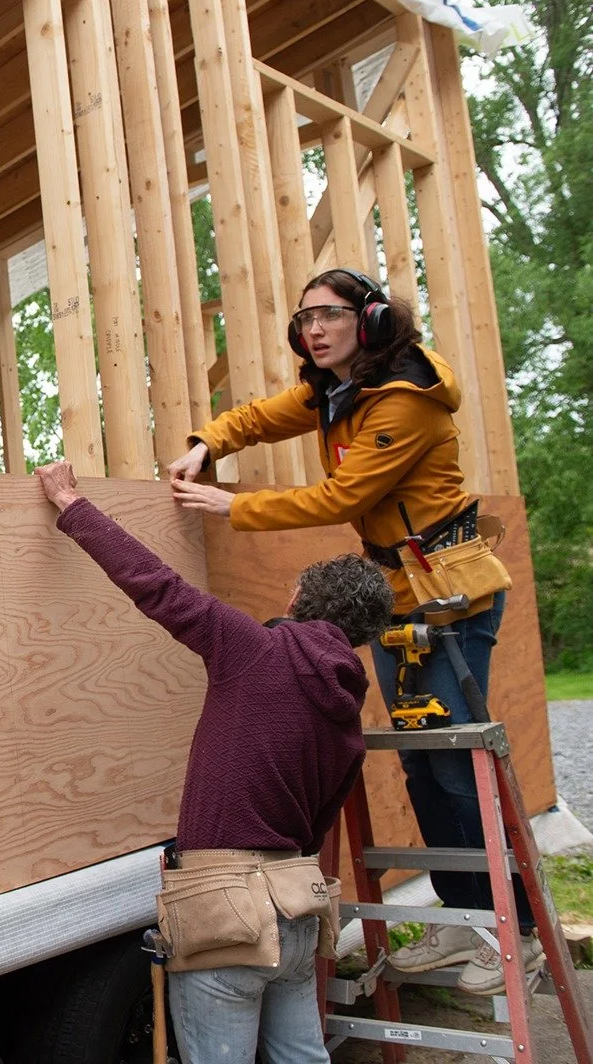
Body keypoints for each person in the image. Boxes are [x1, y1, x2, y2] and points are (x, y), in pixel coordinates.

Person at [167, 267, 530, 993]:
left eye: (329, 316)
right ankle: (460, 921)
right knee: (421, 763)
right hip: (397, 594)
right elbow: (264, 416)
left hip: (446, 595)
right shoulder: (338, 389)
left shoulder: (403, 401)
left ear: (367, 321)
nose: (314, 330)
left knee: (452, 758)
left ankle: (508, 929)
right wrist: (207, 441)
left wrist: (229, 506)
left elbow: (345, 495)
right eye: (304, 321)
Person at [35, 459, 393, 1064]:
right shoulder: (347, 714)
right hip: (295, 911)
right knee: (304, 1057)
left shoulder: (253, 649)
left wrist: (73, 506)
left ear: (299, 597)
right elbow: (315, 825)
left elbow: (157, 586)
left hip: (224, 911)